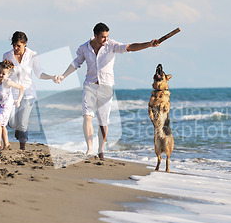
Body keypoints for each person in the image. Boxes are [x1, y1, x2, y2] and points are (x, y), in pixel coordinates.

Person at [56, 22, 160, 159]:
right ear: (95, 35)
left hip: (106, 87)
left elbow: (130, 47)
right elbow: (76, 62)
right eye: (103, 37)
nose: (106, 39)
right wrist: (63, 76)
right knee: (87, 116)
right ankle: (89, 149)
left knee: (103, 122)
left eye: (107, 36)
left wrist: (149, 44)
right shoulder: (84, 48)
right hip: (90, 85)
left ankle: (101, 149)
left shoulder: (111, 45)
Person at [3, 31, 57, 150]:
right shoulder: (7, 56)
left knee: (23, 122)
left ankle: (22, 148)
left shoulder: (33, 55)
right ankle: (18, 129)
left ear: (25, 43)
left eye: (19, 45)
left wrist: (51, 77)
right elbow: (4, 73)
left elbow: (39, 73)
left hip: (28, 93)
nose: (16, 48)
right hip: (12, 93)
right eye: (14, 45)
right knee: (11, 122)